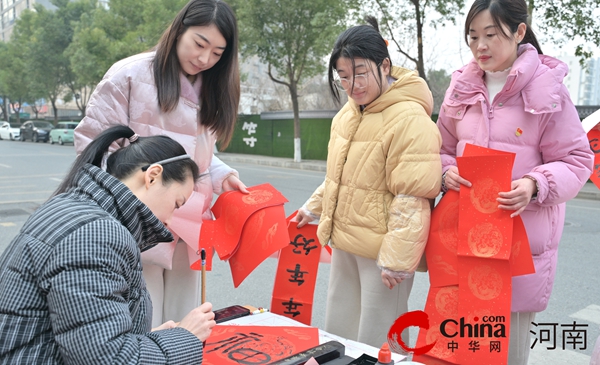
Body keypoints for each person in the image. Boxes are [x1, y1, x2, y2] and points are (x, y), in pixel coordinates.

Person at [437, 0, 594, 363]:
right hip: (465, 244)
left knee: (506, 352)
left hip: (518, 248)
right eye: (473, 36)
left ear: (519, 31)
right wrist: (446, 173)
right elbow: (440, 148)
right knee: (464, 350)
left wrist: (535, 185)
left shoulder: (547, 90)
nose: (480, 46)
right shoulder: (460, 88)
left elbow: (576, 159)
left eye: (491, 34)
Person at [74, 0, 248, 328]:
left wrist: (221, 174)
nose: (204, 58)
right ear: (179, 28)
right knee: (143, 320)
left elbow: (200, 156)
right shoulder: (129, 74)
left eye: (217, 52)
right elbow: (92, 146)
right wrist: (128, 201)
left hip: (190, 225)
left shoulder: (214, 87)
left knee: (187, 319)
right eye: (199, 43)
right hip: (138, 222)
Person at [0, 126, 216, 364]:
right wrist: (185, 337)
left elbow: (88, 336)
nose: (170, 221)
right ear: (152, 176)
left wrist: (153, 340)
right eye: (177, 203)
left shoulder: (75, 207)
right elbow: (107, 358)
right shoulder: (97, 235)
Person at [295, 17, 442, 349]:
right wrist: (313, 208)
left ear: (384, 65)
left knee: (379, 339)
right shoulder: (346, 115)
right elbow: (341, 177)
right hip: (345, 243)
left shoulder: (410, 119)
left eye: (360, 72)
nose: (352, 84)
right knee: (340, 331)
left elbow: (413, 196)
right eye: (343, 76)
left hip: (382, 254)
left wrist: (397, 258)